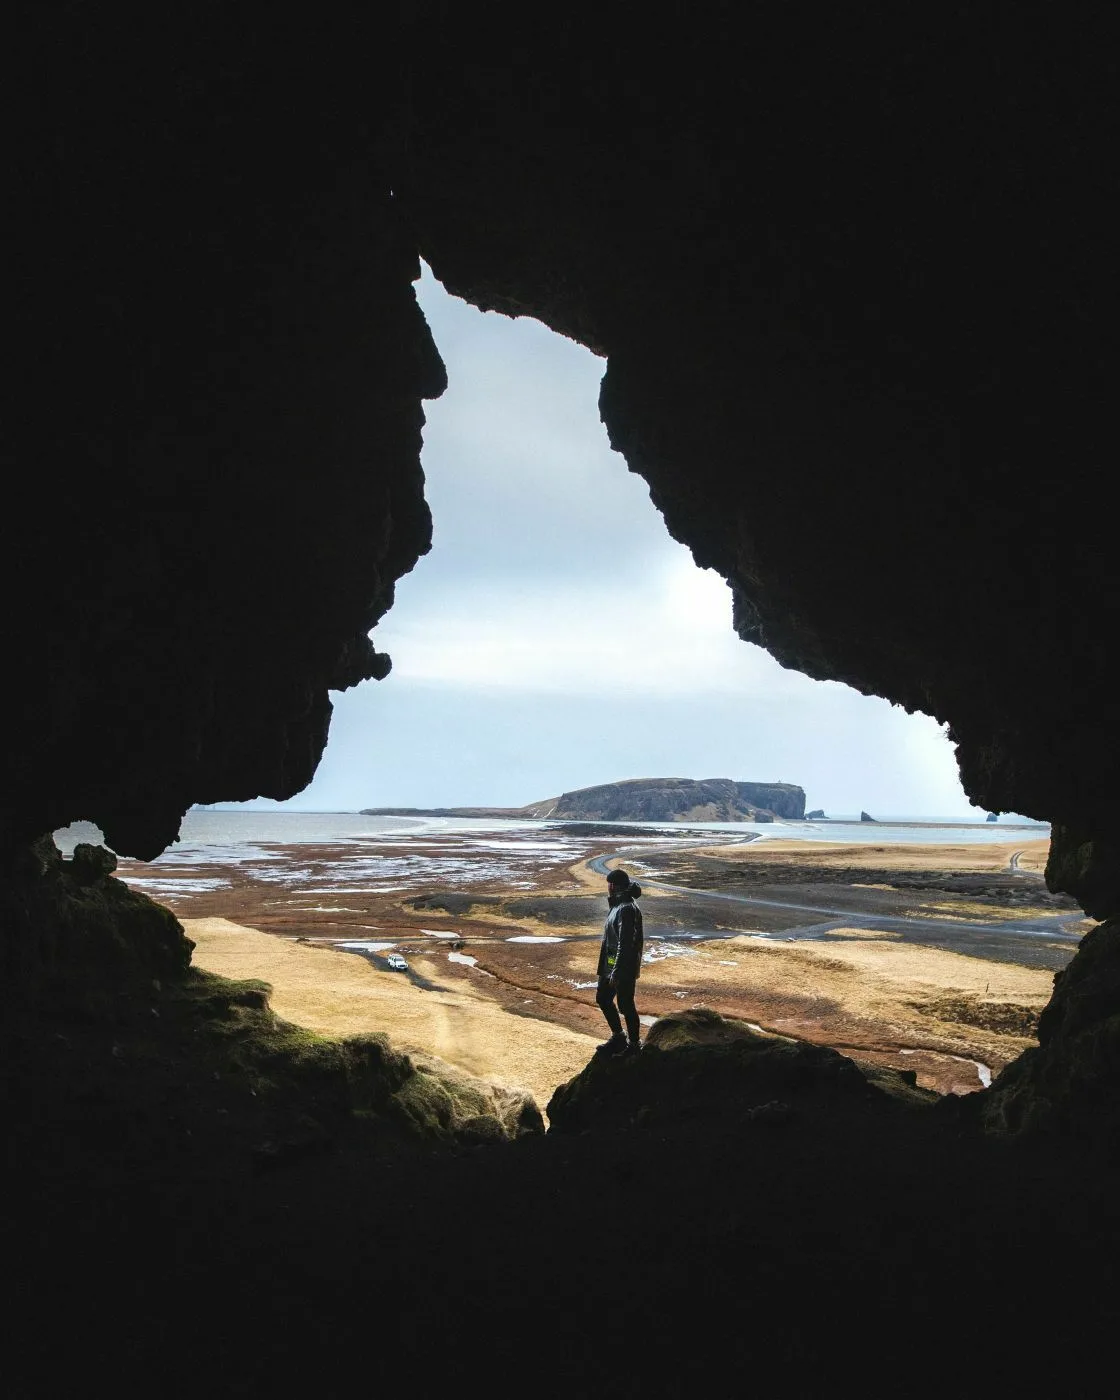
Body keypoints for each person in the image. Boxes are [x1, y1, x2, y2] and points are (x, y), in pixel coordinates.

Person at [595, 867, 645, 1056]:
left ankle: (634, 1045)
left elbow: (625, 944)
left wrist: (616, 971)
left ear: (614, 886)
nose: (607, 887)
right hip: (611, 965)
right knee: (603, 998)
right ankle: (618, 1037)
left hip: (623, 967)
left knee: (625, 1005)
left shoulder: (626, 909)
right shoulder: (619, 905)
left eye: (609, 884)